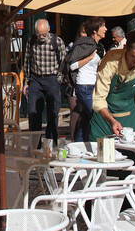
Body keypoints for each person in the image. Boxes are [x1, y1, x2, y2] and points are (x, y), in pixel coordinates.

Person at [22, 17, 67, 151]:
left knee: (53, 112)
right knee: (33, 112)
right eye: (38, 34)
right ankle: (35, 145)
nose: (41, 37)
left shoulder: (57, 41)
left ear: (48, 30)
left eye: (43, 34)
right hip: (36, 79)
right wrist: (26, 82)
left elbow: (64, 61)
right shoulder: (31, 42)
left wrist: (59, 78)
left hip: (51, 79)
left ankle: (51, 144)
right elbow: (27, 62)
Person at [66, 18, 106, 142]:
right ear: (95, 31)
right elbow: (72, 66)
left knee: (86, 118)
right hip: (84, 86)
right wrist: (89, 57)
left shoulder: (99, 47)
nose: (105, 29)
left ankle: (78, 146)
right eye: (103, 26)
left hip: (94, 86)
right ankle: (96, 145)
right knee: (96, 116)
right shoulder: (84, 45)